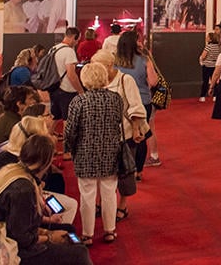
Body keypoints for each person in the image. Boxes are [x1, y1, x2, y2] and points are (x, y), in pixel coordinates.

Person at [0, 134, 92, 265]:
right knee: (79, 253)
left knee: (69, 231)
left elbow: (18, 223)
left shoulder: (12, 170)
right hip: (8, 250)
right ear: (46, 162)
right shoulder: (23, 188)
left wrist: (47, 230)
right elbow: (21, 238)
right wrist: (49, 236)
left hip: (1, 237)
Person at [64, 63, 123, 245]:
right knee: (109, 193)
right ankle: (109, 231)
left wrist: (70, 149)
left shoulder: (79, 101)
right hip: (110, 152)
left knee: (87, 196)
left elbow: (71, 130)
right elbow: (118, 123)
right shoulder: (115, 99)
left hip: (85, 153)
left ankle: (88, 234)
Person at [0, 116, 77, 226]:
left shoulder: (9, 154)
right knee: (70, 205)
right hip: (2, 224)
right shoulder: (18, 168)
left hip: (1, 214)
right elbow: (20, 227)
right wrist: (48, 233)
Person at [93, 50, 145, 222]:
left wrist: (137, 129)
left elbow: (136, 106)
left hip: (125, 135)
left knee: (124, 173)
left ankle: (122, 204)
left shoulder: (125, 80)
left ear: (108, 66)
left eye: (98, 66)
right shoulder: (97, 81)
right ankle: (101, 201)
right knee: (103, 172)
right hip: (103, 136)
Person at [115, 31, 158, 179]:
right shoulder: (145, 60)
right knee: (141, 137)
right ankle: (138, 171)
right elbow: (153, 81)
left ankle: (125, 167)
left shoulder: (115, 61)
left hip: (121, 102)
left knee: (124, 136)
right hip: (142, 102)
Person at [50, 27, 83, 123]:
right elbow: (71, 74)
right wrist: (80, 91)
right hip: (66, 90)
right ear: (73, 37)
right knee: (67, 119)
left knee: (55, 117)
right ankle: (66, 138)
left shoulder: (53, 49)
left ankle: (47, 136)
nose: (77, 43)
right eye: (77, 40)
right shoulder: (69, 51)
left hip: (54, 87)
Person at [198, 32, 220, 103]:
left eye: (207, 37)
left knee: (205, 81)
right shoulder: (218, 46)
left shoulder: (208, 46)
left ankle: (202, 96)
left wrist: (201, 59)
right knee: (215, 81)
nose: (206, 38)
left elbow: (203, 56)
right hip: (214, 66)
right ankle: (215, 96)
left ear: (210, 39)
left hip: (207, 66)